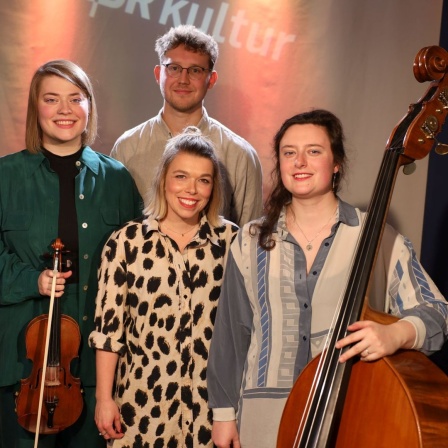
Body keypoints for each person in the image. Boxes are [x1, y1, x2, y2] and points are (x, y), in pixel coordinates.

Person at [206, 109, 448, 448]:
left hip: (347, 411)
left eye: (314, 151)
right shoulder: (249, 240)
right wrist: (223, 415)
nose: (300, 162)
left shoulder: (376, 237)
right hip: (264, 420)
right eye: (289, 152)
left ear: (336, 164)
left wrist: (397, 334)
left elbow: (437, 311)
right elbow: (231, 337)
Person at [0, 59, 142, 448]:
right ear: (36, 109)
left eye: (75, 99)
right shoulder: (4, 176)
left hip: (95, 370)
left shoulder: (117, 180)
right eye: (51, 99)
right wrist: (34, 280)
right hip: (20, 370)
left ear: (89, 107)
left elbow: (140, 270)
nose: (64, 110)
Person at [89, 127, 239, 447]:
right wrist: (104, 399)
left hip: (210, 415)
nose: (192, 189)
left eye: (204, 180)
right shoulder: (126, 243)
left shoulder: (232, 243)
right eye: (181, 176)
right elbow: (108, 333)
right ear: (163, 180)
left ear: (213, 188)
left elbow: (243, 334)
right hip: (140, 411)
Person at [110, 24, 263, 227]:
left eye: (195, 70)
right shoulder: (126, 148)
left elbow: (249, 242)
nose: (183, 79)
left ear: (211, 79)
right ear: (158, 74)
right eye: (174, 68)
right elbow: (115, 230)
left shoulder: (240, 154)